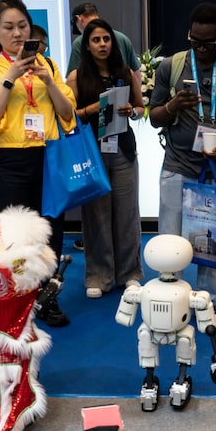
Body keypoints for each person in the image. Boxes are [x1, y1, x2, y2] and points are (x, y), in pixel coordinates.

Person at [0, 0, 76, 326]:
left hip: (48, 157)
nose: (17, 33)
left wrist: (47, 81)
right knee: (13, 234)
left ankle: (47, 297)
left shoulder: (51, 66)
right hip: (10, 160)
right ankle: (17, 300)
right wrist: (11, 76)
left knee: (50, 231)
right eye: (8, 27)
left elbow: (68, 112)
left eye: (22, 26)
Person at [149, 2, 216, 327]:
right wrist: (172, 104)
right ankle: (172, 300)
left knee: (212, 243)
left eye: (208, 43)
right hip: (177, 165)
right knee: (171, 239)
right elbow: (153, 118)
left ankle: (208, 304)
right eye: (195, 41)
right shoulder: (171, 66)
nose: (201, 48)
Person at [66, 19, 144, 299]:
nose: (102, 45)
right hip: (92, 153)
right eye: (96, 40)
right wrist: (95, 108)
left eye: (106, 39)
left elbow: (141, 108)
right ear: (86, 44)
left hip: (123, 150)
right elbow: (69, 117)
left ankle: (130, 273)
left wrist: (130, 111)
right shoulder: (76, 77)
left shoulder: (124, 71)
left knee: (127, 215)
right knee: (96, 217)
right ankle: (99, 276)